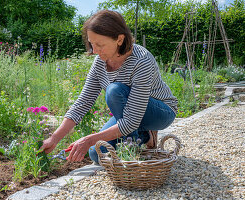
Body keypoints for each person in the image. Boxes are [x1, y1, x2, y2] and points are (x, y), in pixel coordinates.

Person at [40, 10, 178, 164]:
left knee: (114, 91)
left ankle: (135, 144)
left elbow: (131, 121)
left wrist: (88, 139)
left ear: (119, 39)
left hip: (160, 111)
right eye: (92, 44)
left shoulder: (142, 61)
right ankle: (144, 137)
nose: (94, 51)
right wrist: (54, 138)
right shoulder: (100, 62)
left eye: (100, 45)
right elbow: (83, 102)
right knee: (97, 154)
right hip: (130, 114)